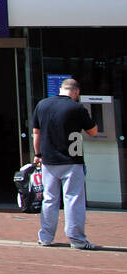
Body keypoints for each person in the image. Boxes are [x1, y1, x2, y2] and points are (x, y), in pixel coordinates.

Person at [31, 78, 99, 250]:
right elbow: (93, 131)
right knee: (73, 199)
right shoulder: (76, 108)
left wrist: (38, 154)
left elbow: (36, 133)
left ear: (61, 89)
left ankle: (45, 237)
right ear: (76, 92)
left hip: (48, 160)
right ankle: (77, 240)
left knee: (49, 199)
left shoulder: (42, 105)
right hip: (72, 160)